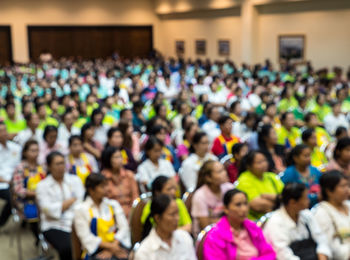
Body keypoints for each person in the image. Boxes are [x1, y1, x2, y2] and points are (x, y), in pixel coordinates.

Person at [36, 151, 84, 260]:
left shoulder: (75, 180)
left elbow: (80, 203)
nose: (61, 166)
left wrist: (63, 206)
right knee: (67, 248)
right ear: (49, 166)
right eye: (57, 164)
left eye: (63, 163)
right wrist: (68, 202)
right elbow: (47, 209)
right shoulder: (42, 186)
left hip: (77, 221)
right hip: (53, 224)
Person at [264, 183, 331, 260]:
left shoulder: (306, 214)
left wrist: (322, 255)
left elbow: (321, 239)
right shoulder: (275, 222)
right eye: (305, 198)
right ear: (293, 202)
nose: (308, 200)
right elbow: (283, 254)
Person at [203, 189, 276, 260]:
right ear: (226, 209)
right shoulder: (215, 235)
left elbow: (269, 253)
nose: (244, 209)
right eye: (238, 205)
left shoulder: (252, 227)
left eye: (245, 204)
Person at [74, 173, 130, 260]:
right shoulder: (81, 209)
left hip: (117, 244)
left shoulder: (113, 204)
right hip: (96, 249)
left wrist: (113, 247)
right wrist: (111, 247)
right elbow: (86, 238)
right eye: (102, 186)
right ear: (91, 190)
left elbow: (124, 227)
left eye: (106, 185)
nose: (107, 189)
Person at [134, 194, 196, 260]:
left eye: (177, 213)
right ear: (157, 218)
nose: (177, 218)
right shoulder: (144, 252)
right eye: (172, 214)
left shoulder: (184, 237)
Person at [12, 140, 46, 242]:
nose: (35, 153)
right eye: (32, 151)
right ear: (25, 152)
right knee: (34, 214)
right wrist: (34, 194)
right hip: (26, 200)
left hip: (43, 197)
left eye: (37, 150)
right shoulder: (21, 168)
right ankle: (39, 238)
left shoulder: (42, 166)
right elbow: (18, 189)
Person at [236, 151, 284, 220]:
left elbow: (287, 197)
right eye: (259, 162)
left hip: (278, 217)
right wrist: (279, 201)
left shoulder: (271, 176)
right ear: (249, 166)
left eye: (264, 160)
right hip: (258, 221)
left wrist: (269, 197)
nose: (264, 164)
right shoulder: (244, 180)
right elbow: (257, 206)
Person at [314, 170, 350, 260]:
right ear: (329, 191)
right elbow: (329, 245)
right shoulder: (322, 212)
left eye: (347, 185)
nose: (347, 190)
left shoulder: (348, 204)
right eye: (342, 186)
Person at [191, 160, 234, 236]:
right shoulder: (200, 195)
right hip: (209, 236)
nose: (225, 173)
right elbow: (205, 226)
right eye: (220, 172)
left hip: (229, 231)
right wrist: (230, 220)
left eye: (224, 169)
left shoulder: (229, 188)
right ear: (208, 178)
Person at [101, 146, 139, 218]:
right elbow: (104, 201)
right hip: (112, 214)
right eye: (116, 157)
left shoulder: (129, 175)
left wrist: (133, 212)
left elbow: (135, 196)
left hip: (130, 212)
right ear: (108, 159)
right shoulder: (103, 178)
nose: (120, 160)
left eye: (120, 157)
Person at [0, 122, 21, 228]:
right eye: (0, 131)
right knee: (11, 197)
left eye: (4, 130)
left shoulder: (16, 148)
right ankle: (1, 221)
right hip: (2, 183)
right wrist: (7, 181)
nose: (3, 133)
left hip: (17, 180)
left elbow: (21, 166)